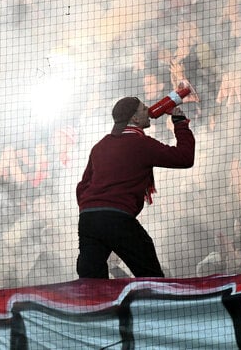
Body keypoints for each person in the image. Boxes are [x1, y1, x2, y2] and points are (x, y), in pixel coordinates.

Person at [76, 96, 195, 279]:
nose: (148, 110)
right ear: (134, 118)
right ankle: (160, 305)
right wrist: (179, 123)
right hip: (117, 218)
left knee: (91, 280)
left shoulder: (100, 146)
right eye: (143, 109)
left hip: (88, 219)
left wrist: (91, 210)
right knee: (150, 275)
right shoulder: (141, 144)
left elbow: (83, 186)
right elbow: (184, 158)